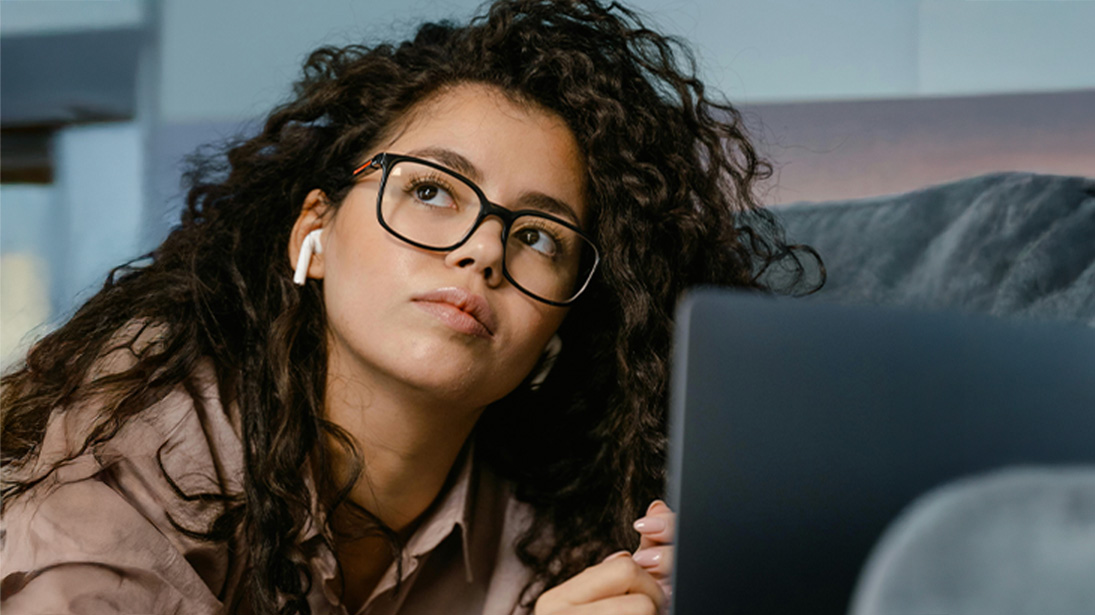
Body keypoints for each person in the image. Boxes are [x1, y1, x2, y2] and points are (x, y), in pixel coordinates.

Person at [0, 0, 820, 613]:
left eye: (538, 236)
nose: (482, 249)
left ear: (557, 333)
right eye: (430, 189)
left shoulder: (559, 533)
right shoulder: (128, 442)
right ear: (311, 234)